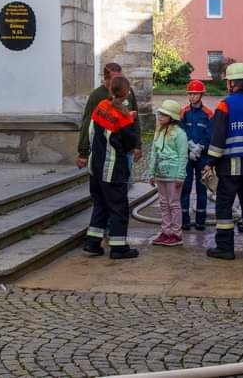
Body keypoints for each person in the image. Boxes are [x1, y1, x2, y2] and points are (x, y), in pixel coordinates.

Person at [204, 62, 243, 260]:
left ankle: (225, 248)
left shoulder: (226, 104)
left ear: (233, 83)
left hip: (230, 166)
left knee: (224, 206)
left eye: (228, 81)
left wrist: (210, 162)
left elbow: (218, 136)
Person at [82, 76, 140, 259]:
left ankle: (92, 242)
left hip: (96, 166)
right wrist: (130, 119)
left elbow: (91, 132)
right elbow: (129, 143)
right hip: (113, 168)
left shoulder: (101, 107)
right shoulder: (122, 116)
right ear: (126, 94)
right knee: (118, 207)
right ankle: (118, 247)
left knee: (100, 205)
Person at [77, 62, 142, 171]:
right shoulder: (97, 96)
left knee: (125, 184)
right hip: (106, 152)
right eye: (116, 79)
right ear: (106, 79)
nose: (120, 82)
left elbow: (135, 120)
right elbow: (87, 123)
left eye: (121, 77)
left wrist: (137, 145)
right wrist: (83, 153)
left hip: (126, 149)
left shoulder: (128, 91)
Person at [149, 100, 189, 247]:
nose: (160, 117)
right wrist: (152, 173)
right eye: (160, 113)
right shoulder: (158, 132)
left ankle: (176, 234)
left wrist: (180, 175)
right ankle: (166, 232)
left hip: (173, 175)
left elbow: (183, 155)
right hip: (160, 174)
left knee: (174, 204)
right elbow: (154, 152)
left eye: (164, 114)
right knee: (164, 204)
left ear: (172, 117)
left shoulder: (180, 134)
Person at [180, 80, 213, 231]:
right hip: (187, 155)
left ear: (201, 95)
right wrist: (190, 145)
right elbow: (181, 131)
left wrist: (200, 147)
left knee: (201, 188)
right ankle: (184, 220)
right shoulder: (184, 112)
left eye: (195, 94)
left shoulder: (208, 114)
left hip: (202, 156)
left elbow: (210, 133)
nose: (192, 96)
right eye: (190, 94)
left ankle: (200, 221)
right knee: (185, 187)